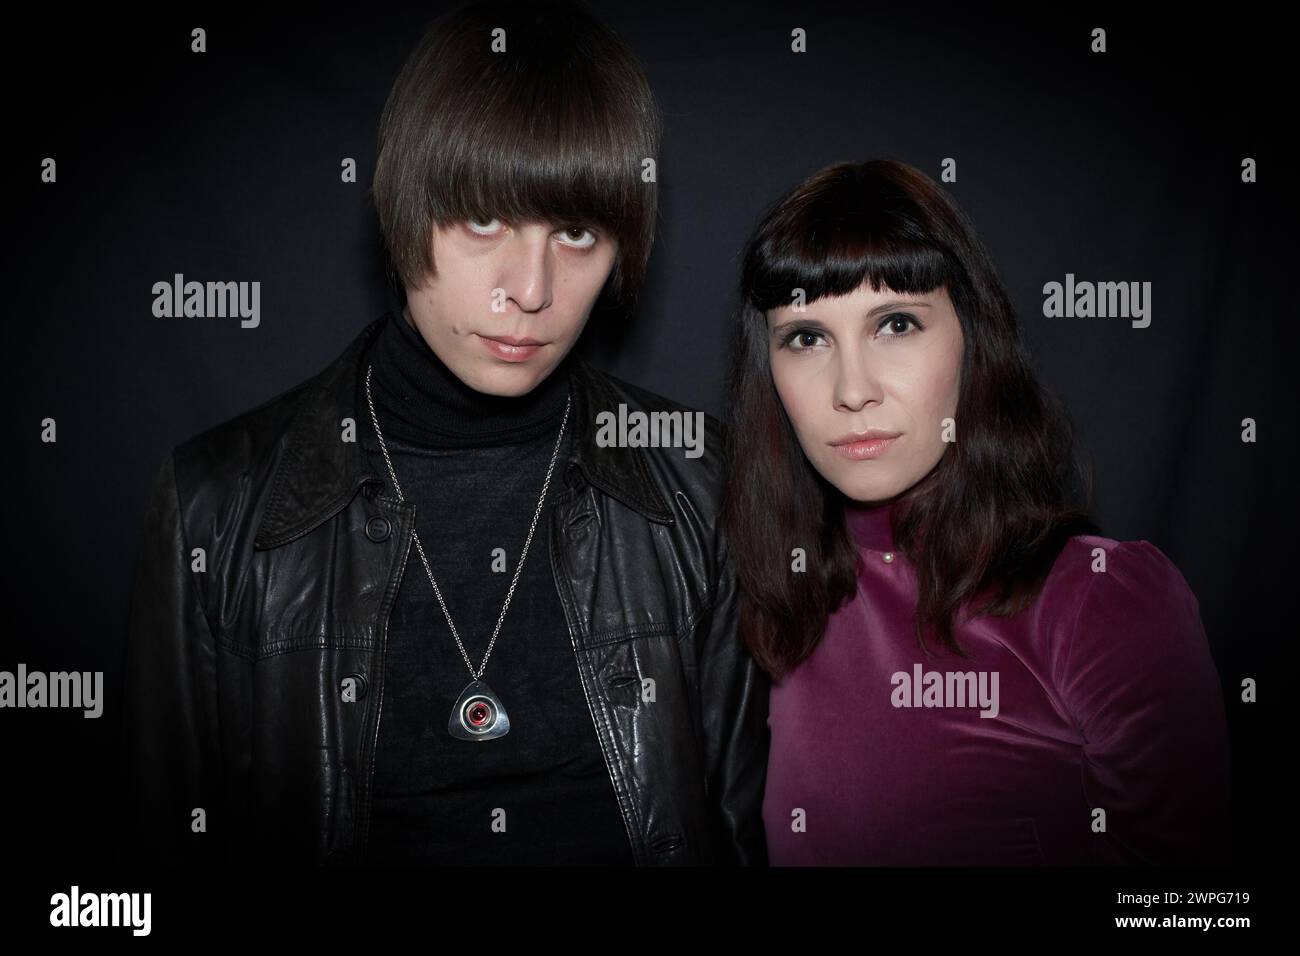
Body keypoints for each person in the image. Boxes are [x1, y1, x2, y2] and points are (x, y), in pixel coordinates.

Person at [120, 0, 769, 867]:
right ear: (401, 206)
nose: (531, 289)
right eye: (484, 219)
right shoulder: (218, 504)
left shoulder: (700, 478)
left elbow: (734, 833)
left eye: (576, 231)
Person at [722, 159, 1231, 865]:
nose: (851, 389)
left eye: (895, 324)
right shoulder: (755, 596)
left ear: (972, 340)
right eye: (806, 338)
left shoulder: (1098, 599)